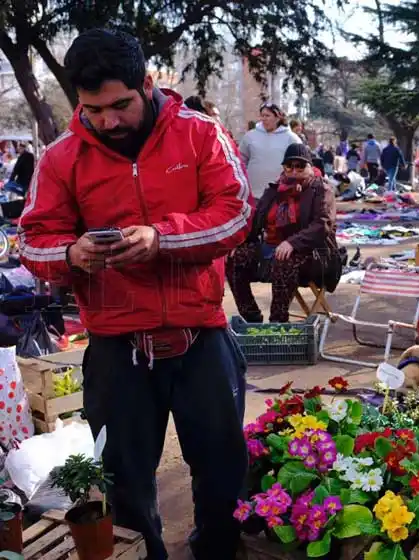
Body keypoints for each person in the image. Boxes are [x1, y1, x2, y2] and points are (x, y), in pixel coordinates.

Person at [18, 29, 251, 560]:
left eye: (120, 105)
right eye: (92, 109)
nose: (107, 121)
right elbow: (33, 240)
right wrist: (71, 254)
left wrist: (160, 238)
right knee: (124, 484)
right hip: (116, 348)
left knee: (222, 472)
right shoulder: (60, 157)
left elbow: (236, 213)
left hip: (201, 336)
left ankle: (214, 550)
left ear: (147, 85)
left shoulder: (201, 134)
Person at [227, 143, 338, 323]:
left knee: (283, 260)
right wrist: (239, 241)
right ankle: (251, 317)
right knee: (235, 258)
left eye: (300, 166)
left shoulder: (322, 189)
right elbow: (256, 220)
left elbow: (322, 224)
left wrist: (292, 242)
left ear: (311, 167)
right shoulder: (274, 189)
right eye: (289, 166)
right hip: (271, 249)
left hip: (314, 254)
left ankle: (278, 324)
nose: (294, 170)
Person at [239, 102, 301, 198]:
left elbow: (300, 164)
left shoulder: (291, 138)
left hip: (280, 193)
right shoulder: (250, 136)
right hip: (253, 193)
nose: (264, 119)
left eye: (267, 116)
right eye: (262, 115)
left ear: (277, 117)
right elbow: (240, 161)